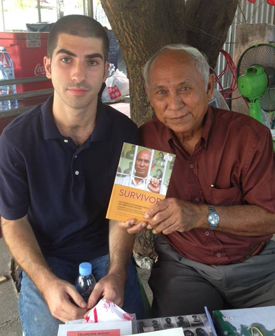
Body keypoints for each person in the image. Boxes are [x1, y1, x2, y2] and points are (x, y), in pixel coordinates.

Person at [0, 15, 144, 336]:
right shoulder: (15, 140)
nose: (78, 75)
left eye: (92, 62)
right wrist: (46, 283)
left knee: (137, 331)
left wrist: (119, 271)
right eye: (67, 59)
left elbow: (126, 211)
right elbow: (12, 221)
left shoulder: (129, 134)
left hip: (109, 253)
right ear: (48, 67)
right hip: (46, 259)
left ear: (105, 71)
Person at [120, 44, 275, 317]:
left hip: (257, 265)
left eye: (185, 89)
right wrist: (137, 216)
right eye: (161, 92)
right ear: (149, 95)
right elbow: (132, 209)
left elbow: (271, 217)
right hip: (184, 266)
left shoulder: (250, 137)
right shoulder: (146, 140)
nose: (174, 105)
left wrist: (202, 215)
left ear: (209, 87)